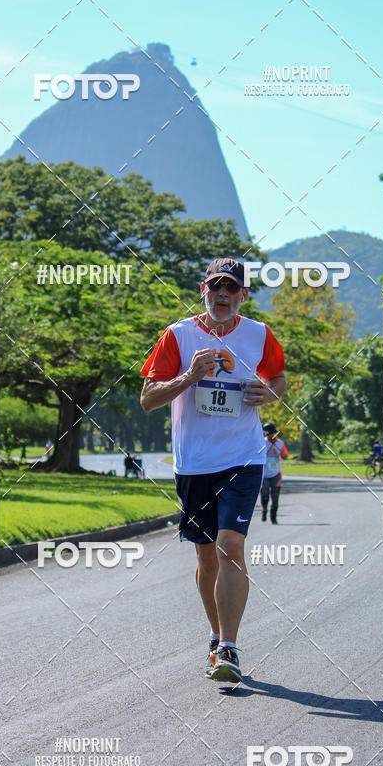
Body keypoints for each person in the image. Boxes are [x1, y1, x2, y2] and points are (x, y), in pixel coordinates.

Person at [140, 257, 286, 683]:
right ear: (203, 290)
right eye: (215, 287)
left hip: (244, 456)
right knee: (205, 553)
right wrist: (189, 376)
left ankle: (229, 649)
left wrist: (269, 393)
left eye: (231, 288)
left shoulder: (258, 334)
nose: (222, 294)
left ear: (242, 295)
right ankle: (215, 634)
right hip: (195, 462)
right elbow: (148, 399)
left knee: (229, 546)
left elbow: (277, 378)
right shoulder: (178, 335)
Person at [260, 423, 289, 524]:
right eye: (269, 434)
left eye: (273, 433)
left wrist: (283, 454)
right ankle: (264, 510)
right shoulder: (262, 442)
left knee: (275, 496)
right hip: (264, 474)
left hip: (276, 473)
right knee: (265, 496)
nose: (271, 436)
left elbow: (285, 456)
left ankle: (273, 517)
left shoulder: (280, 443)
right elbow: (257, 454)